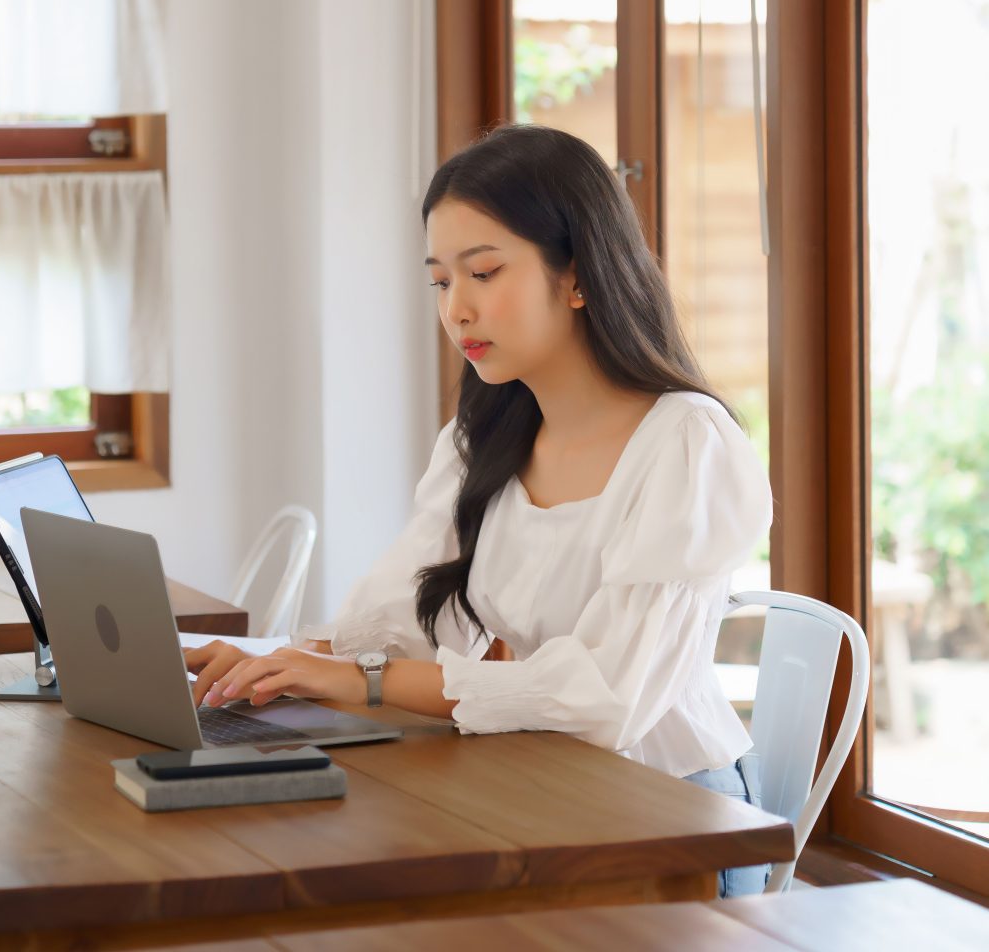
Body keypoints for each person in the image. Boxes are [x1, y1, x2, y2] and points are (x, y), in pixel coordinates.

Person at [185, 124, 774, 896]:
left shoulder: (688, 442)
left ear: (578, 276)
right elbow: (399, 624)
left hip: (672, 814)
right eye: (439, 282)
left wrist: (358, 679)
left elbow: (607, 700)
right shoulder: (484, 435)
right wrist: (276, 663)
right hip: (541, 782)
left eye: (484, 272)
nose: (457, 309)